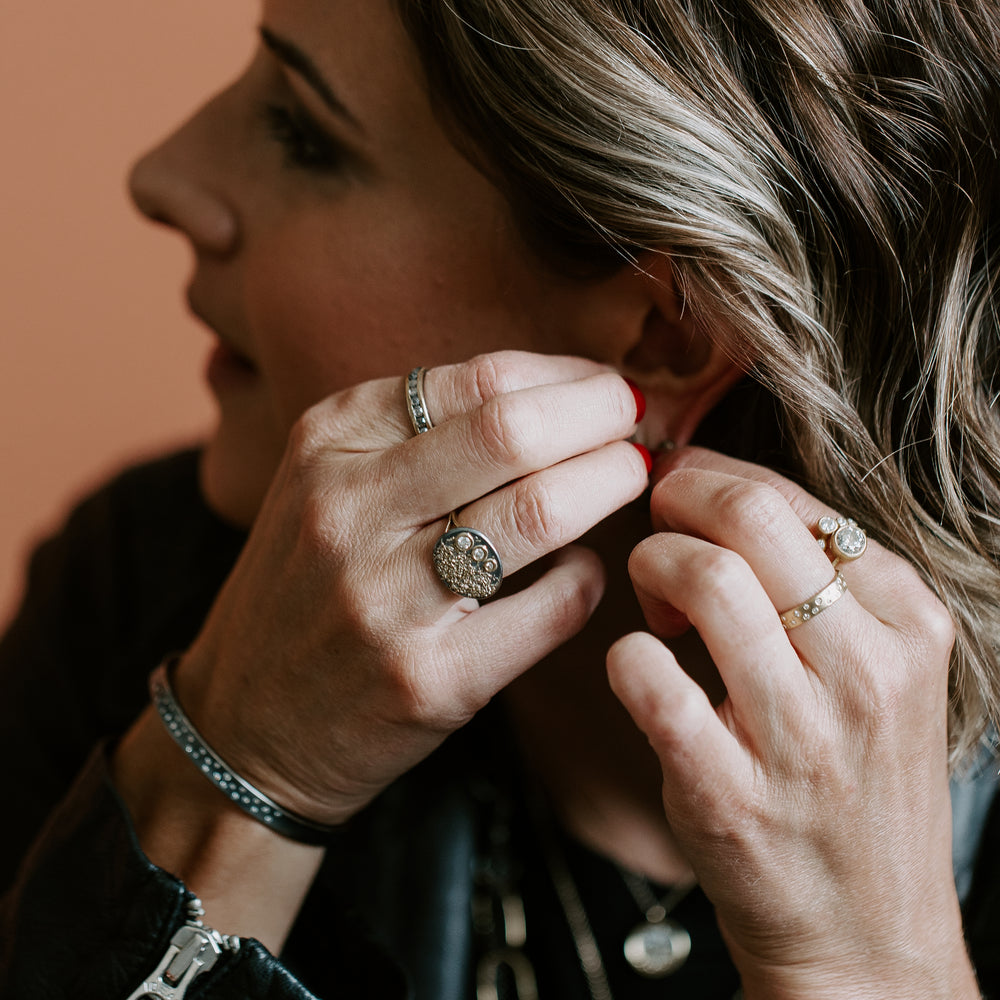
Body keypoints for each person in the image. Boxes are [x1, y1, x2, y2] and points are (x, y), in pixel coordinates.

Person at [2, 0, 998, 997]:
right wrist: (237, 773)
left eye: (305, 133)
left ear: (663, 337)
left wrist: (876, 967)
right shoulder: (143, 592)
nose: (162, 173)